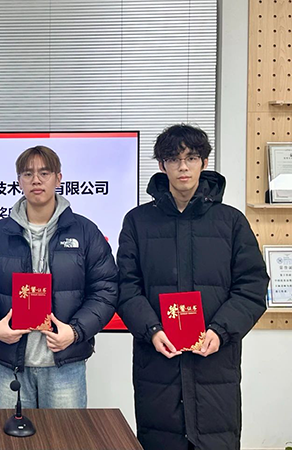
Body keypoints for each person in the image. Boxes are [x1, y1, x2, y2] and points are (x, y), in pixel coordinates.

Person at [116, 124, 268, 450]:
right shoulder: (138, 222)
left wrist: (221, 331)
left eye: (191, 158)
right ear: (162, 165)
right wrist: (152, 330)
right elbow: (126, 287)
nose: (183, 167)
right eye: (173, 159)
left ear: (204, 162)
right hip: (158, 361)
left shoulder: (231, 221)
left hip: (214, 362)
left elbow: (252, 286)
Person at [0, 145, 118, 409]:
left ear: (58, 178)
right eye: (28, 174)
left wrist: (75, 331)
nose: (36, 180)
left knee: (64, 433)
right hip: (11, 366)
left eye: (44, 173)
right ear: (19, 181)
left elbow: (106, 289)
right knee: (12, 433)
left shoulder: (85, 232)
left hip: (65, 364)